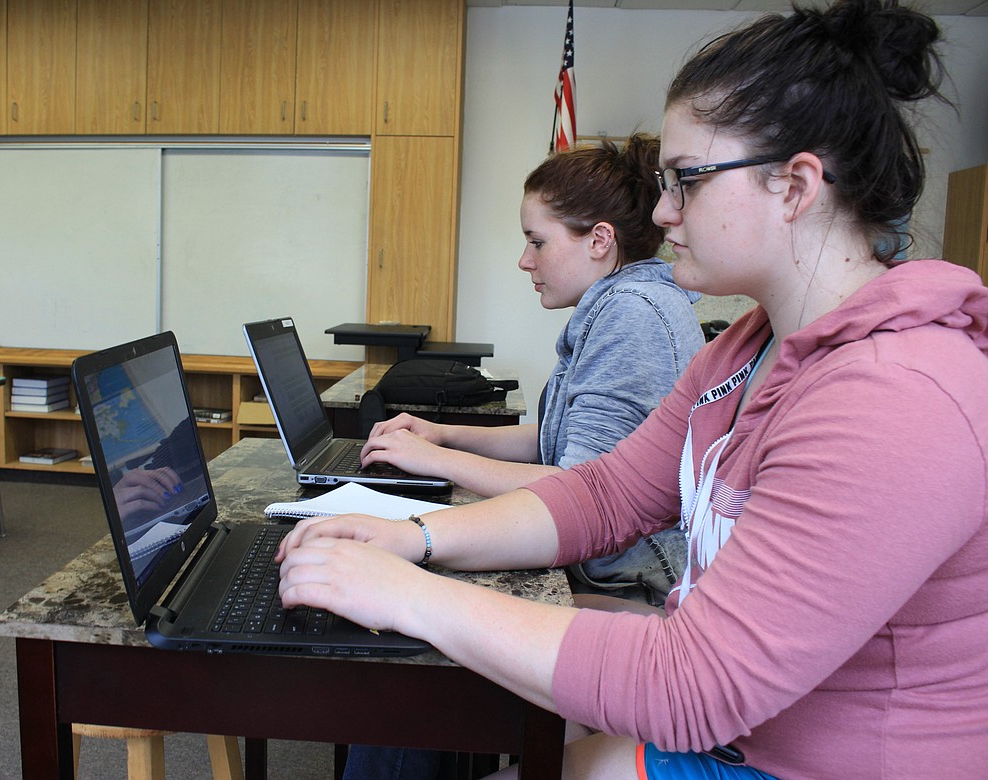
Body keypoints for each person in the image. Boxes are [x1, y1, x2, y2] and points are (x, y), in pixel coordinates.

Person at [277, 0, 988, 777]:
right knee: (447, 703)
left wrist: (408, 594)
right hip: (744, 724)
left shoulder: (896, 397)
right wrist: (415, 542)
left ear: (795, 186)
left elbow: (693, 684)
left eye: (686, 181)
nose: (661, 211)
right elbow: (608, 495)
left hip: (804, 760)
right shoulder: (746, 349)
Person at [361, 136, 704, 606]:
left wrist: (437, 462)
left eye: (537, 242)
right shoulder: (624, 302)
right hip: (607, 565)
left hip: (632, 584)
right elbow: (556, 440)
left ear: (600, 240)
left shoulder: (634, 315)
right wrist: (440, 434)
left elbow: (580, 490)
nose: (525, 261)